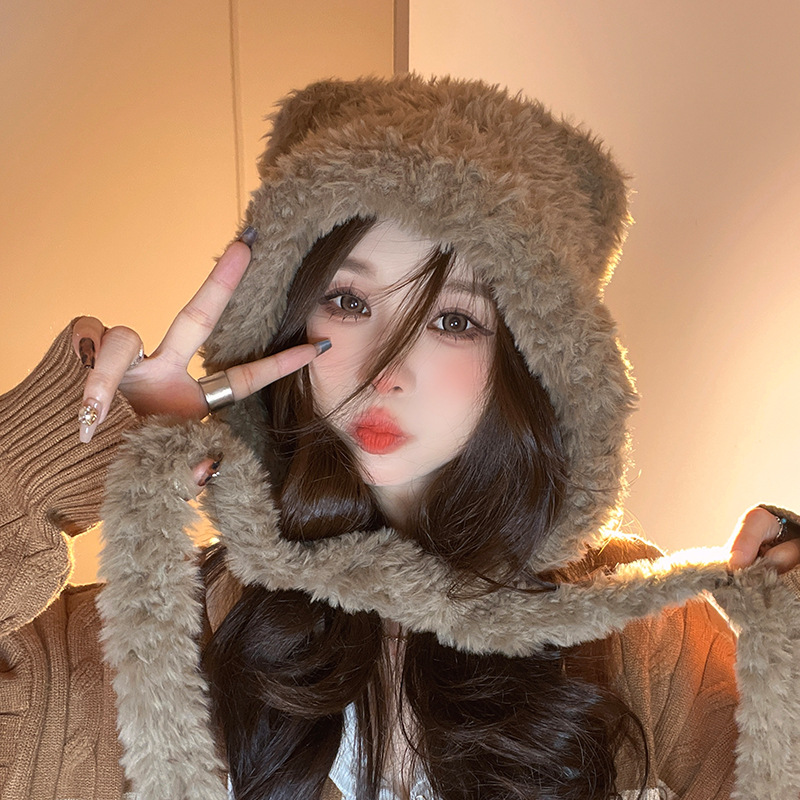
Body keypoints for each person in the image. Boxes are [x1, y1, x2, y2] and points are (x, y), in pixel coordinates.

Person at [1, 75, 799, 800]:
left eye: (453, 321)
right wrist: (69, 453)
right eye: (350, 303)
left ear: (535, 365)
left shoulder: (636, 630)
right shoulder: (149, 634)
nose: (386, 371)